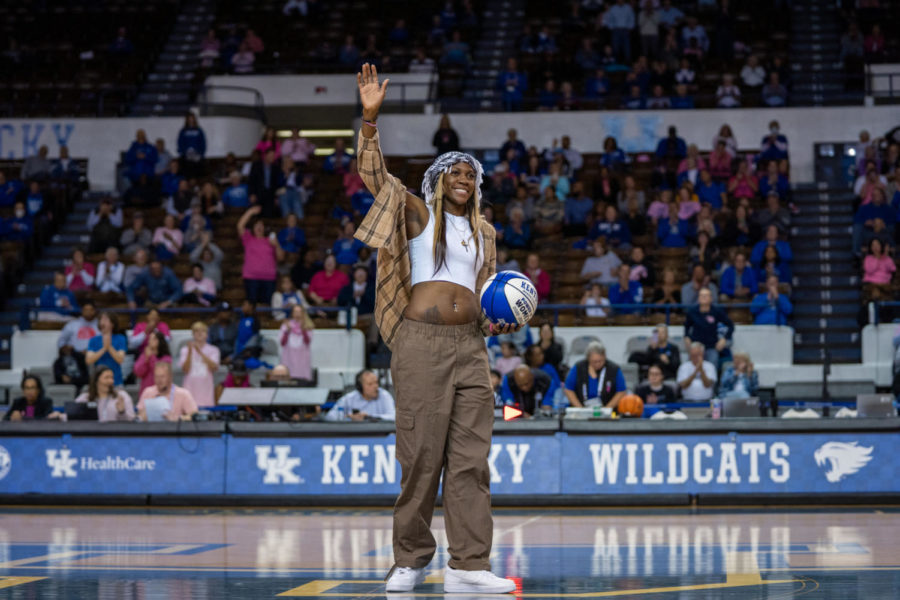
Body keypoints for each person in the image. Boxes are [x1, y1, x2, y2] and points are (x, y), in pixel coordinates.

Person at [354, 64, 516, 594]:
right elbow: (376, 181)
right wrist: (370, 121)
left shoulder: (486, 233)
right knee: (420, 455)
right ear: (439, 179)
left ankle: (469, 565)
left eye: (471, 174)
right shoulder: (419, 214)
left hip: (471, 348)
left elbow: (486, 294)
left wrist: (504, 312)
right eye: (455, 173)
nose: (464, 180)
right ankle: (411, 558)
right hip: (419, 343)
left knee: (471, 461)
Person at [237, 205, 281, 305]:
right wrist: (250, 212)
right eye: (257, 225)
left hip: (269, 278)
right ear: (253, 227)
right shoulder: (248, 239)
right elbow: (240, 226)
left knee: (267, 305)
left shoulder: (271, 241)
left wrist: (277, 245)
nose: (259, 227)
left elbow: (280, 258)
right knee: (252, 305)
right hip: (251, 277)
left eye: (261, 225)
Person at [563, 342, 626, 409]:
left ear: (604, 357)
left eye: (601, 361)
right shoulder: (578, 368)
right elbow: (568, 390)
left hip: (606, 408)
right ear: (588, 358)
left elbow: (621, 391)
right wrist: (580, 409)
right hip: (582, 407)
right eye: (594, 361)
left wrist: (607, 409)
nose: (598, 364)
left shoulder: (614, 369)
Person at [684, 288, 734, 365]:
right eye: (701, 295)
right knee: (691, 366)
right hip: (696, 346)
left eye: (706, 295)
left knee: (712, 367)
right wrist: (686, 337)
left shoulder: (716, 311)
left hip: (712, 346)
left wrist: (724, 339)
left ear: (711, 298)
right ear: (698, 298)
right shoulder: (692, 311)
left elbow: (730, 325)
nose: (704, 297)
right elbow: (686, 326)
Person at [325, 369, 396, 422]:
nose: (376, 386)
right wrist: (349, 418)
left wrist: (368, 417)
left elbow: (393, 417)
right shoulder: (349, 398)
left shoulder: (384, 395)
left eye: (376, 382)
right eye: (370, 384)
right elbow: (329, 417)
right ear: (360, 387)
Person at [179, 321, 221, 408]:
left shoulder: (214, 350)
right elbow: (185, 369)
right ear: (193, 334)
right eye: (196, 331)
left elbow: (214, 367)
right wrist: (190, 352)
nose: (199, 334)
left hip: (206, 392)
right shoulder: (185, 350)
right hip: (190, 390)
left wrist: (200, 352)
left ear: (207, 334)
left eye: (202, 331)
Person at [86, 312, 128, 386]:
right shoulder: (94, 340)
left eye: (105, 319)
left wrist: (109, 347)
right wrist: (104, 348)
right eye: (101, 319)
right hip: (99, 381)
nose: (102, 321)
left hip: (116, 380)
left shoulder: (120, 338)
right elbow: (89, 360)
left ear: (112, 323)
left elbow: (120, 359)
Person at [279, 304, 314, 380]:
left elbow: (308, 342)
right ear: (292, 313)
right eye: (295, 311)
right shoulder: (286, 325)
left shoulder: (307, 325)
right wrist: (287, 331)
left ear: (302, 313)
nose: (297, 314)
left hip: (302, 359)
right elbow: (282, 343)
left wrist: (303, 329)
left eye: (299, 312)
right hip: (289, 358)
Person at [133, 330, 172, 396]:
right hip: (146, 390)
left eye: (153, 339)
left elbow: (158, 369)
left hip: (162, 391)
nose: (150, 341)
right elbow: (137, 371)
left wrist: (151, 357)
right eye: (149, 339)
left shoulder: (166, 358)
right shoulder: (145, 355)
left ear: (160, 341)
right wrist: (146, 359)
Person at [178, 113, 206, 178]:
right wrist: (183, 152)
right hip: (186, 156)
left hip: (197, 156)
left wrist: (201, 153)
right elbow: (180, 143)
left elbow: (203, 142)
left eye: (192, 118)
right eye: (189, 118)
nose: (191, 120)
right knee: (187, 175)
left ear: (194, 119)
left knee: (197, 175)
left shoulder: (199, 130)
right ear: (187, 120)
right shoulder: (183, 131)